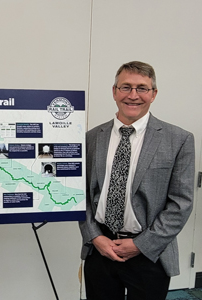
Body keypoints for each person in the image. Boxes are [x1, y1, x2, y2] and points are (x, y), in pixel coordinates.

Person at [79, 61, 195, 300]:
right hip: (100, 249)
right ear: (114, 91)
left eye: (142, 88)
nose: (133, 95)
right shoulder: (91, 139)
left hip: (150, 254)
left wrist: (141, 244)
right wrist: (94, 236)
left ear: (153, 94)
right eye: (126, 87)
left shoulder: (179, 140)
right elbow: (80, 195)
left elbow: (181, 204)